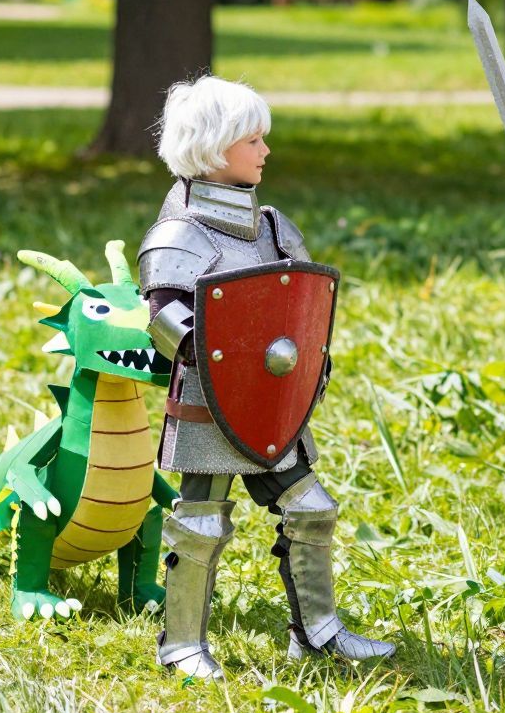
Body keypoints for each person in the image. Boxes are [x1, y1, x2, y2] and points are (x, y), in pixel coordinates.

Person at [138, 76, 394, 679]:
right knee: (199, 525)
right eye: (254, 139)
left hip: (273, 409)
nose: (265, 150)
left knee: (312, 510)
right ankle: (182, 645)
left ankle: (318, 632)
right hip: (211, 407)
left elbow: (301, 312)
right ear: (213, 145)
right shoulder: (180, 235)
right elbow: (164, 317)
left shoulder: (274, 227)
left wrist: (306, 365)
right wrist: (207, 345)